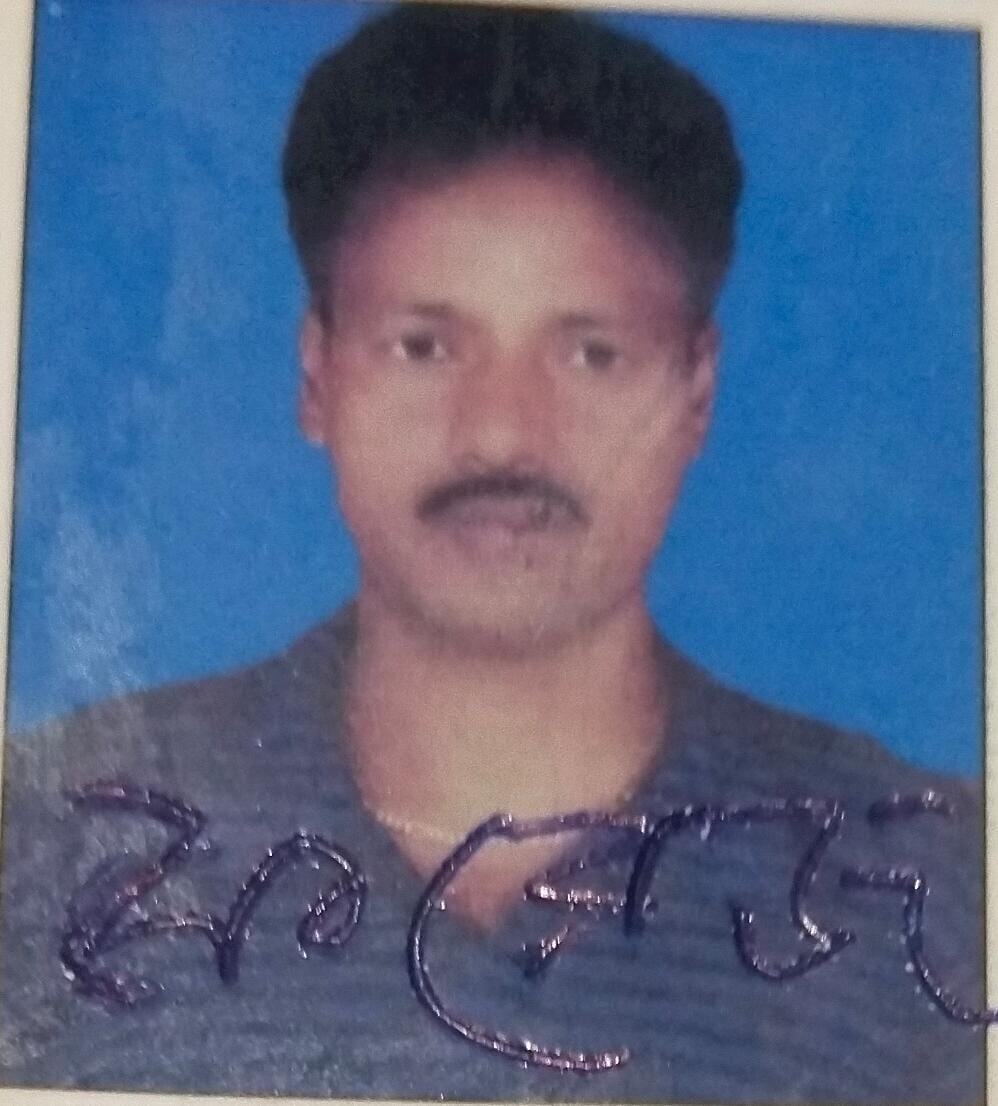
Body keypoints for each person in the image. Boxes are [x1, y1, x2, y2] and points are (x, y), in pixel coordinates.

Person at [0, 4, 987, 1103]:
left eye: (590, 355)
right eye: (424, 345)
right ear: (318, 376)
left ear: (696, 392)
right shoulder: (53, 842)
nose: (503, 435)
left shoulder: (934, 884)